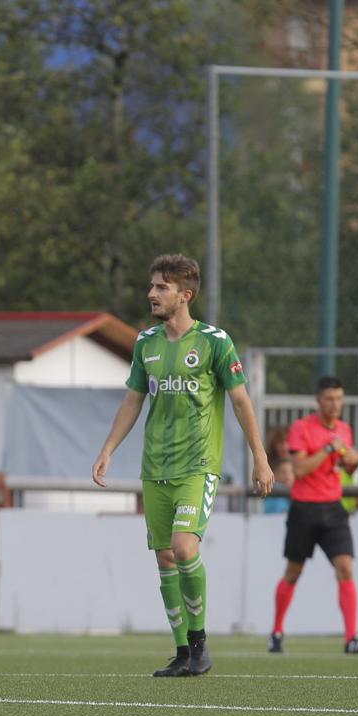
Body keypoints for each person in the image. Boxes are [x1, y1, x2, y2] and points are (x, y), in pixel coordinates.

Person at [92, 253, 274, 678]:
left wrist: (260, 458)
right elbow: (134, 399)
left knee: (183, 546)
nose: (151, 293)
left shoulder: (214, 341)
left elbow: (241, 400)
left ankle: (200, 645)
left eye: (161, 287)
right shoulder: (145, 343)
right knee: (164, 558)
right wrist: (108, 449)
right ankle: (181, 652)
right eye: (152, 285)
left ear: (185, 295)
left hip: (198, 466)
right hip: (155, 466)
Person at [269, 376, 358, 655]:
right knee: (293, 572)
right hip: (304, 508)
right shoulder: (301, 428)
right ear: (318, 401)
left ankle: (351, 638)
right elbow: (301, 469)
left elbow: (346, 469)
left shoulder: (344, 429)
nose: (335, 404)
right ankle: (277, 632)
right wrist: (329, 447)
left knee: (345, 567)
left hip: (333, 507)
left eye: (339, 399)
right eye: (329, 399)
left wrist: (352, 462)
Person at [262, 427, 293, 515]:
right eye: (281, 443)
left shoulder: (300, 463)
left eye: (288, 441)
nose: (285, 447)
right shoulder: (265, 465)